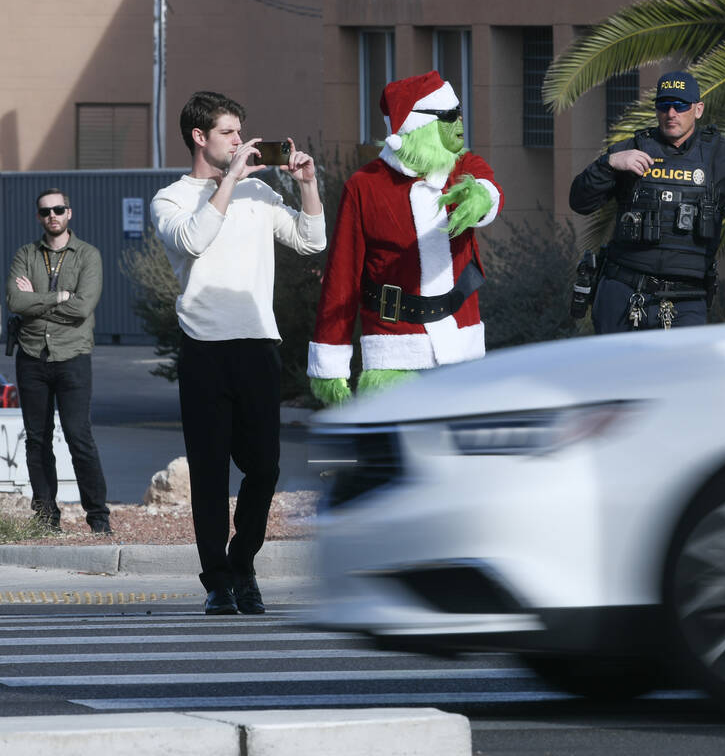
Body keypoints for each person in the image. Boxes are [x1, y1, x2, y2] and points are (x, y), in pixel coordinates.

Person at [151, 91, 326, 615]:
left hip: (257, 343)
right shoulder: (173, 198)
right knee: (208, 473)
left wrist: (308, 186)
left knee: (265, 466)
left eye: (240, 131)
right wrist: (229, 181)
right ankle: (219, 582)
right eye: (229, 132)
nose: (240, 140)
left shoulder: (259, 192)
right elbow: (194, 240)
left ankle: (243, 560)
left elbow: (310, 240)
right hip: (204, 348)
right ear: (200, 137)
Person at [307, 71, 503, 405]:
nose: (458, 124)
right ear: (418, 126)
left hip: (460, 344)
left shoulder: (461, 167)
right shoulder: (365, 185)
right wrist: (331, 366)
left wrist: (479, 198)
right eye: (448, 116)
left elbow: (488, 186)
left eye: (459, 113)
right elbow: (342, 276)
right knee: (393, 453)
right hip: (394, 351)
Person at [570, 71, 725, 333]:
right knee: (616, 374)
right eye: (664, 105)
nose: (671, 113)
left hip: (685, 301)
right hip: (623, 292)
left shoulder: (720, 154)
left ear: (698, 109)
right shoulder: (633, 150)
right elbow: (580, 201)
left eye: (681, 105)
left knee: (682, 374)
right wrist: (608, 164)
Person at [5, 189, 111, 534]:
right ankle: (47, 518)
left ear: (69, 213)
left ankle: (98, 518)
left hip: (72, 357)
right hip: (32, 357)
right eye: (46, 211)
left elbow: (83, 307)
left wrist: (37, 301)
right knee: (37, 439)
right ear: (39, 217)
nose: (52, 215)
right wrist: (58, 297)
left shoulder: (88, 255)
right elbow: (15, 303)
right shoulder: (25, 254)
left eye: (59, 209)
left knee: (79, 437)